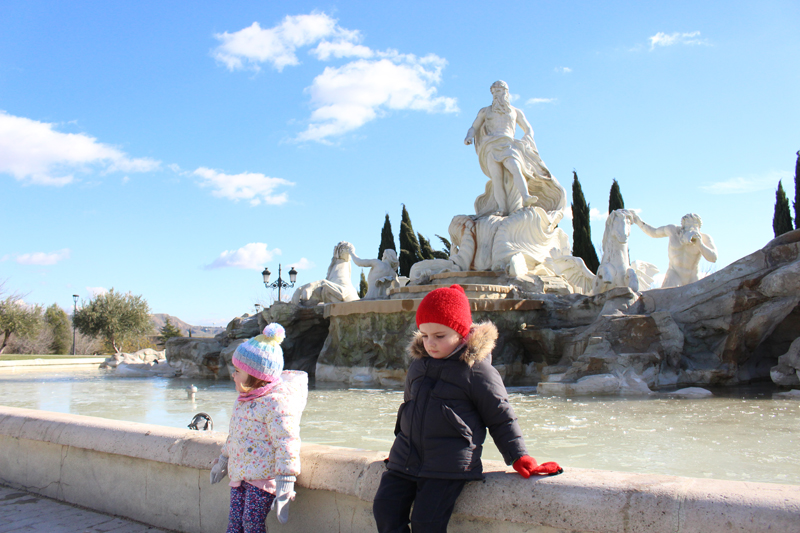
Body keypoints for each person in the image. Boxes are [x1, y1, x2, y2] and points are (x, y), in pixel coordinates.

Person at [372, 284, 562, 532]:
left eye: (440, 336)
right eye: (425, 335)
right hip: (405, 459)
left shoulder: (477, 370)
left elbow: (500, 416)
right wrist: (403, 448)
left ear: (461, 332)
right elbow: (409, 410)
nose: (430, 343)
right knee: (384, 508)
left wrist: (518, 455)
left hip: (448, 465)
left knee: (426, 522)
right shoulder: (419, 365)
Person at [210, 323, 308, 533]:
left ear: (256, 375)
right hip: (240, 475)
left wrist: (285, 482)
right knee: (234, 526)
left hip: (262, 479)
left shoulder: (276, 403)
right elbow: (235, 435)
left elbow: (286, 442)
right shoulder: (243, 400)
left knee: (251, 525)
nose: (233, 376)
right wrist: (223, 461)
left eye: (238, 371)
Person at [465, 80, 566, 217]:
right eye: (493, 92)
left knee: (515, 167)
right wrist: (469, 136)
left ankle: (525, 197)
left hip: (508, 144)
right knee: (497, 178)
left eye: (499, 91)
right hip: (491, 146)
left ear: (506, 92)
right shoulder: (485, 111)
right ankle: (501, 208)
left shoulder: (515, 112)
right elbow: (474, 127)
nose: (495, 94)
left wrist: (527, 137)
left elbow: (528, 128)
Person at [632, 212, 718, 288]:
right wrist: (638, 221)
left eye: (695, 224)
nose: (691, 227)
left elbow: (713, 258)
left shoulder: (704, 238)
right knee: (666, 301)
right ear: (683, 224)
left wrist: (700, 244)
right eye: (688, 223)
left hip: (692, 277)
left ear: (699, 227)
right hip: (674, 274)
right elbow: (653, 232)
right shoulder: (672, 230)